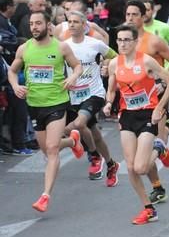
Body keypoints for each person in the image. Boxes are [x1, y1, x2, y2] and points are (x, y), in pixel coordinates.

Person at [8, 11, 84, 212]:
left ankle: (45, 196)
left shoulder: (61, 47)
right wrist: (16, 86)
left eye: (38, 23)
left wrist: (73, 77)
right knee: (47, 148)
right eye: (32, 24)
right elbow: (12, 70)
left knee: (51, 148)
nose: (34, 27)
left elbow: (77, 67)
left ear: (48, 25)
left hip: (57, 103)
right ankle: (72, 141)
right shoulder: (24, 49)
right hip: (34, 105)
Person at [103, 25, 169, 225]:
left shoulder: (145, 61)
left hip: (147, 115)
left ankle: (159, 148)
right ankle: (148, 209)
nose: (123, 43)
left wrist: (159, 108)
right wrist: (109, 103)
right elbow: (111, 89)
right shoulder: (113, 64)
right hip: (126, 115)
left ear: (135, 42)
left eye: (127, 40)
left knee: (141, 167)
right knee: (131, 168)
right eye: (119, 40)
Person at [124, 0, 169, 204]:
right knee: (142, 151)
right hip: (133, 101)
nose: (130, 18)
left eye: (134, 15)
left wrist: (164, 84)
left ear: (142, 17)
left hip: (155, 97)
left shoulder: (153, 41)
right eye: (127, 14)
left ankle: (161, 145)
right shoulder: (123, 41)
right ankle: (157, 187)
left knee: (148, 147)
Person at [62, 11, 120, 185]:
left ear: (84, 25)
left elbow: (116, 57)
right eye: (69, 22)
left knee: (79, 125)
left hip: (94, 93)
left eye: (75, 22)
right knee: (94, 134)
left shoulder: (95, 44)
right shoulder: (63, 46)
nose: (71, 25)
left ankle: (94, 156)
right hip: (73, 95)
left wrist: (107, 64)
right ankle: (111, 164)